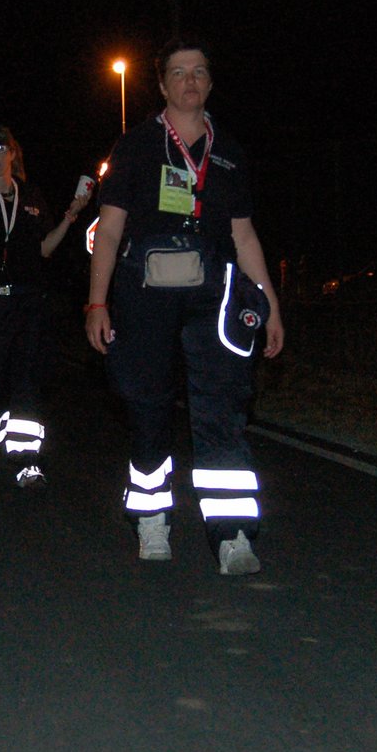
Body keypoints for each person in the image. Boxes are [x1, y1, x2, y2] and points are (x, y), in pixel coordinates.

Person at [84, 38, 284, 576]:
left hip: (213, 295)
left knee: (222, 408)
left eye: (199, 71)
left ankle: (233, 536)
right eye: (178, 72)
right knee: (147, 405)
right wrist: (97, 301)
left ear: (210, 83)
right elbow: (109, 231)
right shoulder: (136, 146)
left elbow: (244, 236)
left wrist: (270, 304)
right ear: (164, 85)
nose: (190, 81)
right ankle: (152, 519)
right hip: (142, 293)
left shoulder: (229, 152)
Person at [0, 122, 90, 486]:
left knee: (28, 380)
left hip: (30, 302)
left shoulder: (30, 195)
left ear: (13, 153)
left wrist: (70, 215)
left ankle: (27, 459)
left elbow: (45, 248)